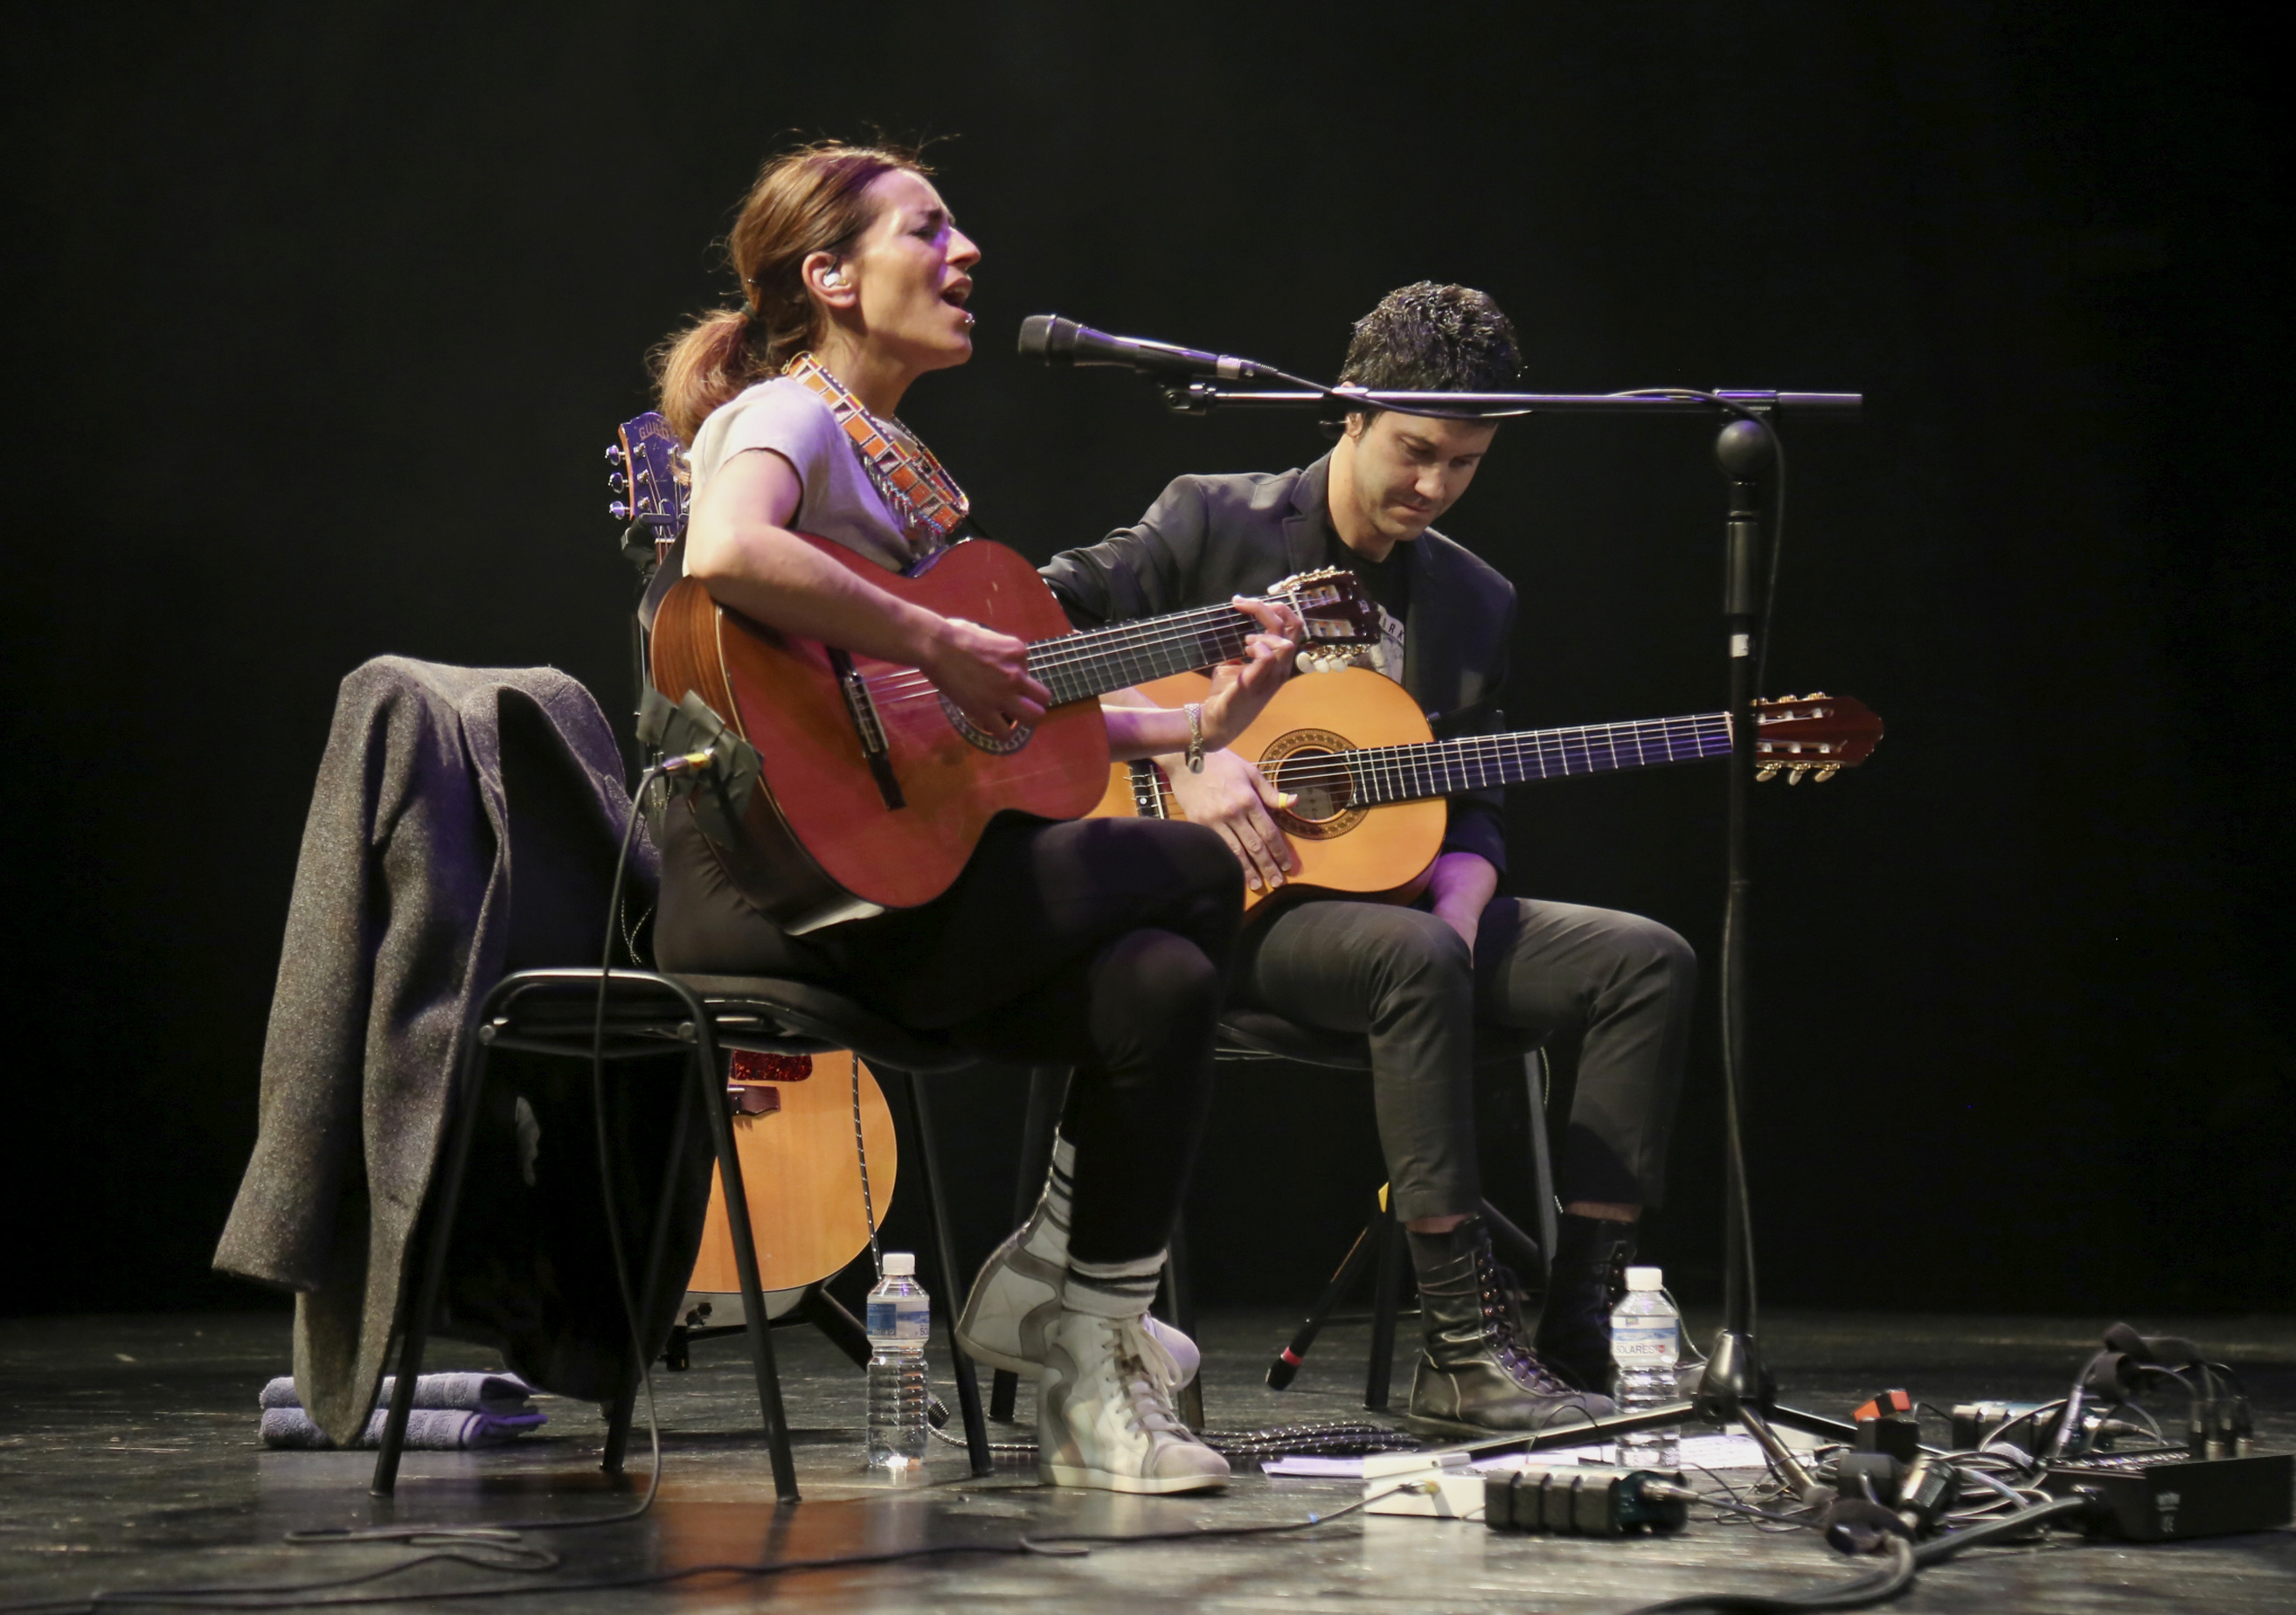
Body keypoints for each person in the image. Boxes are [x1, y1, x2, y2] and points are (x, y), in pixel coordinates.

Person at [646, 142, 1302, 1492]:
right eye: (928, 229)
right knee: (1190, 869)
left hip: (897, 895)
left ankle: (1086, 1353)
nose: (968, 254)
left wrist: (1200, 724)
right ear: (830, 277)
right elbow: (726, 549)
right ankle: (1055, 1297)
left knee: (1164, 981)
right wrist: (937, 637)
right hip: (777, 899)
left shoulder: (901, 468)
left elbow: (981, 731)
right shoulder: (788, 416)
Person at [1007, 283, 1698, 1437]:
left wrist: (1464, 912)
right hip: (1202, 906)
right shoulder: (1212, 518)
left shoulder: (1474, 599)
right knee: (1412, 957)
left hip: (1387, 914)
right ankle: (1463, 1349)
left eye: (1465, 465)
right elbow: (1029, 630)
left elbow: (1471, 807)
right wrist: (1186, 751)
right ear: (1351, 414)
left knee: (1645, 960)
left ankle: (1583, 1320)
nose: (1434, 486)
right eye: (1415, 451)